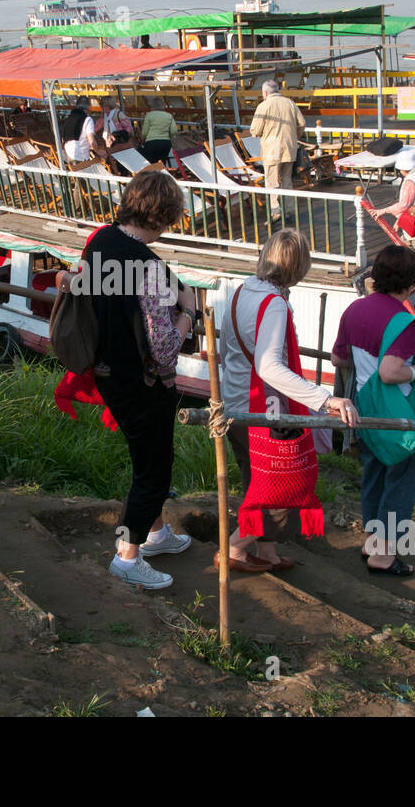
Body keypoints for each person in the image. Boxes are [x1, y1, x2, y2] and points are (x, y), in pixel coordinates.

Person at [218, 229, 358, 573]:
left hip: (234, 404)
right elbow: (269, 367)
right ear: (300, 267)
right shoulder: (276, 304)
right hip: (262, 411)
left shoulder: (242, 291)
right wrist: (325, 399)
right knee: (279, 488)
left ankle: (265, 553)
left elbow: (225, 351)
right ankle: (234, 548)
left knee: (256, 482)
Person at [88, 170, 195, 590]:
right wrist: (187, 312)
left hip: (107, 371)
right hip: (143, 381)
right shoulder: (148, 267)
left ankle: (155, 534)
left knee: (144, 456)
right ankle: (128, 558)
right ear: (163, 215)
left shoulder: (101, 242)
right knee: (154, 469)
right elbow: (165, 348)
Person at [332, 245, 415, 577]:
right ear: (409, 283)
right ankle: (383, 554)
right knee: (400, 480)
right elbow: (390, 373)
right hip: (397, 412)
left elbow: (339, 359)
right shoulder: (405, 323)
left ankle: (372, 542)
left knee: (373, 473)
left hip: (363, 409)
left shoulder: (354, 310)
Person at [249, 79, 305, 221]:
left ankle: (276, 211)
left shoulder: (263, 106)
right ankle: (289, 211)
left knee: (272, 181)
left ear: (265, 92)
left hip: (271, 149)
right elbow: (302, 123)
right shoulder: (290, 103)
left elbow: (255, 130)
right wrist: (294, 137)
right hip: (289, 147)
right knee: (287, 179)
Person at [138, 96, 177, 166]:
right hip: (166, 143)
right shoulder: (169, 116)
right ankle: (162, 175)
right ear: (162, 106)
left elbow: (144, 132)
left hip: (151, 143)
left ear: (152, 107)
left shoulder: (149, 115)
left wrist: (142, 141)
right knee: (162, 163)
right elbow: (174, 131)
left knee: (151, 164)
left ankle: (152, 176)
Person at [62, 97, 95, 162]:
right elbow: (92, 141)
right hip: (81, 155)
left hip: (68, 153)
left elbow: (63, 138)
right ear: (88, 107)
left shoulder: (69, 118)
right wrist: (98, 151)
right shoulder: (88, 119)